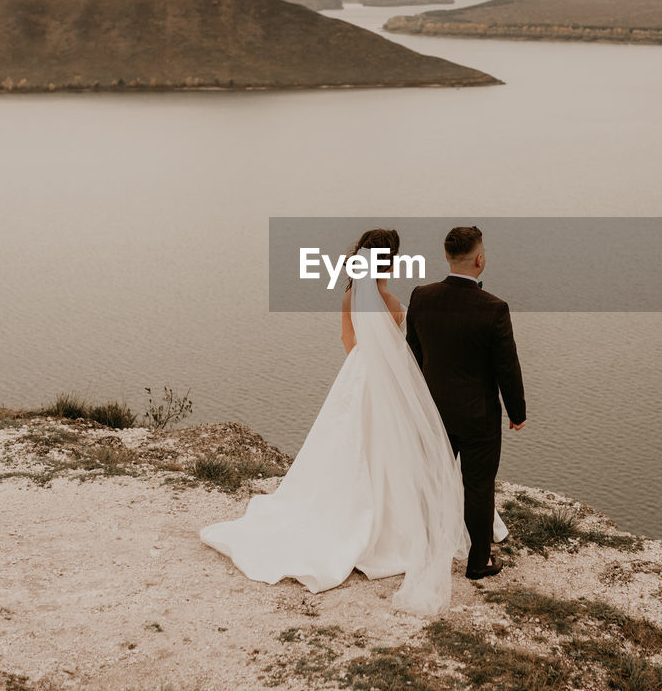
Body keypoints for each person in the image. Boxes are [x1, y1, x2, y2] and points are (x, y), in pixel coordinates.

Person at [199, 228, 495, 615]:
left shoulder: (350, 297)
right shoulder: (391, 303)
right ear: (389, 262)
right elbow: (405, 350)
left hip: (357, 375)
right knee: (393, 448)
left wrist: (360, 371)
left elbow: (348, 341)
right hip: (387, 379)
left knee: (348, 446)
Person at [406, 225, 527, 580]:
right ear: (480, 259)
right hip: (478, 415)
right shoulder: (494, 308)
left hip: (433, 411)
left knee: (431, 481)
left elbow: (413, 354)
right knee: (478, 487)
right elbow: (507, 366)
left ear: (447, 257)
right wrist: (517, 412)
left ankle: (426, 552)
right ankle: (478, 562)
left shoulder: (421, 296)